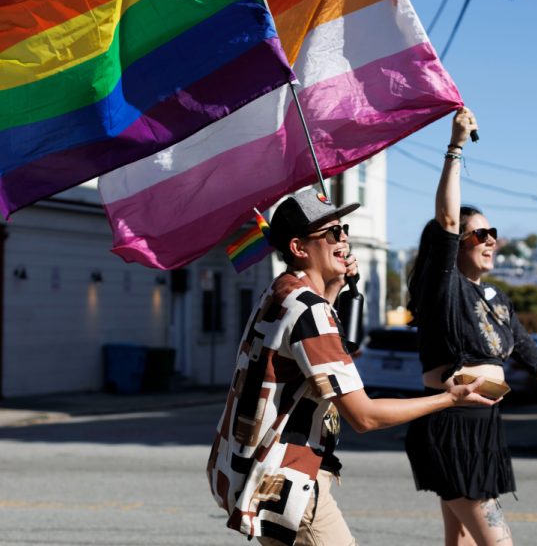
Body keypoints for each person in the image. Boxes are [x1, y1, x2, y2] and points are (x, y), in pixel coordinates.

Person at [207, 188, 498, 546]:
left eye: (343, 229)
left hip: (249, 471)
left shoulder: (280, 292)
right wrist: (449, 399)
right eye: (331, 233)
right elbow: (365, 417)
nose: (343, 238)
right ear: (299, 248)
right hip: (285, 478)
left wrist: (334, 288)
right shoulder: (310, 310)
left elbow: (304, 355)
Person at [404, 107, 537, 546]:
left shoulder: (498, 300)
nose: (490, 240)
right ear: (457, 246)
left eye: (492, 233)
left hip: (484, 430)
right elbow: (446, 220)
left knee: (459, 543)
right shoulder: (443, 289)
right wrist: (456, 146)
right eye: (479, 234)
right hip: (451, 425)